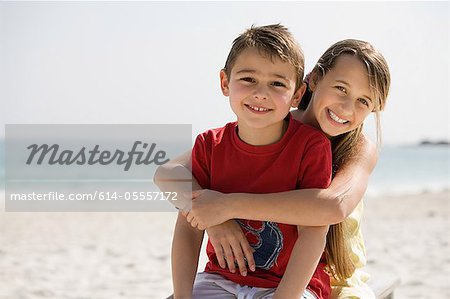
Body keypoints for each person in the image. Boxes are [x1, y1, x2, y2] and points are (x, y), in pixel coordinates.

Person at [158, 37, 391, 299]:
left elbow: (330, 207)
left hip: (327, 274)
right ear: (312, 81)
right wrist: (213, 220)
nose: (347, 107)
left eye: (364, 101)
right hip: (237, 275)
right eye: (340, 88)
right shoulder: (265, 122)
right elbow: (167, 173)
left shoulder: (358, 146)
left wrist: (226, 207)